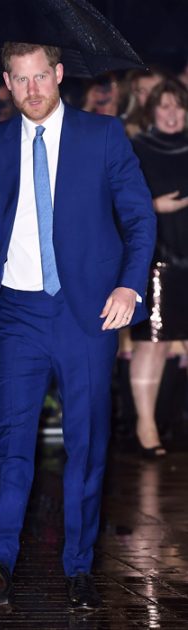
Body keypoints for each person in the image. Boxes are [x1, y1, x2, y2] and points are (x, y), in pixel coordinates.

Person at [0, 42, 156, 610]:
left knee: (86, 442)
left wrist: (129, 286)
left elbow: (139, 217)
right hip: (18, 311)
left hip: (87, 310)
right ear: (7, 82)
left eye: (41, 76)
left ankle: (79, 565)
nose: (33, 89)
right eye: (21, 79)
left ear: (58, 74)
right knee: (13, 440)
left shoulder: (102, 135)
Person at [130, 77, 188, 458]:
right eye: (164, 106)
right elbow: (117, 201)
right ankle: (145, 425)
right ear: (151, 111)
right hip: (157, 259)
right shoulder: (137, 148)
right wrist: (155, 206)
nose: (171, 113)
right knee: (152, 344)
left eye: (178, 106)